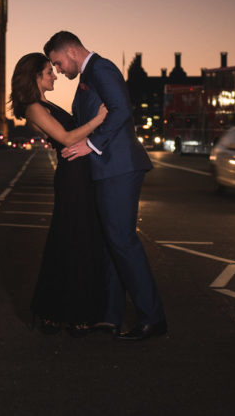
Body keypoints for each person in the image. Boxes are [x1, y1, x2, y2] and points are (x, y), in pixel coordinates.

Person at [45, 30, 167, 341]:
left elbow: (122, 110)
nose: (58, 70)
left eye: (58, 63)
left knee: (123, 243)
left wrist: (91, 145)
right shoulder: (90, 75)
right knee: (111, 243)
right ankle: (111, 317)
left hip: (118, 167)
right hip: (107, 169)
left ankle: (152, 318)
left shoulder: (101, 68)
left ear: (71, 51)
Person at [10, 52, 108, 337]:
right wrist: (99, 119)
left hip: (77, 174)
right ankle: (73, 314)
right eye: (48, 71)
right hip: (72, 178)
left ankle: (54, 313)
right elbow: (66, 138)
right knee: (76, 242)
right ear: (35, 77)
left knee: (70, 242)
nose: (54, 75)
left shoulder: (43, 103)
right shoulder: (33, 107)